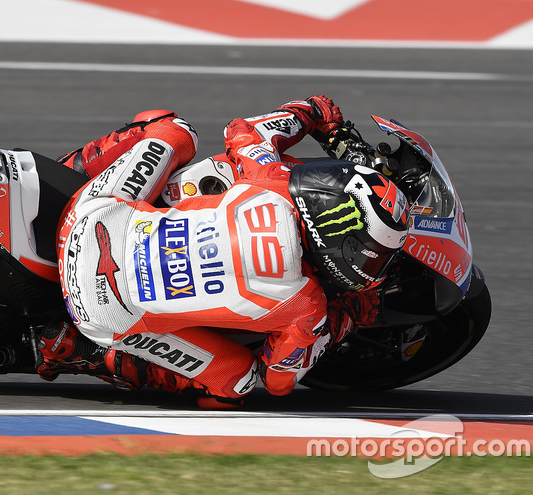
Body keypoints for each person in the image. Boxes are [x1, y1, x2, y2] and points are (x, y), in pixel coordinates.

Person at [38, 96, 410, 408]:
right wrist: (345, 316)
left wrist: (318, 117)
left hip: (86, 217)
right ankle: (88, 355)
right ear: (334, 236)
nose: (374, 267)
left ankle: (64, 174)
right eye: (371, 254)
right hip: (100, 313)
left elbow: (243, 130)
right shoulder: (307, 306)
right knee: (237, 384)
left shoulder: (271, 181)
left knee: (175, 130)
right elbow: (278, 381)